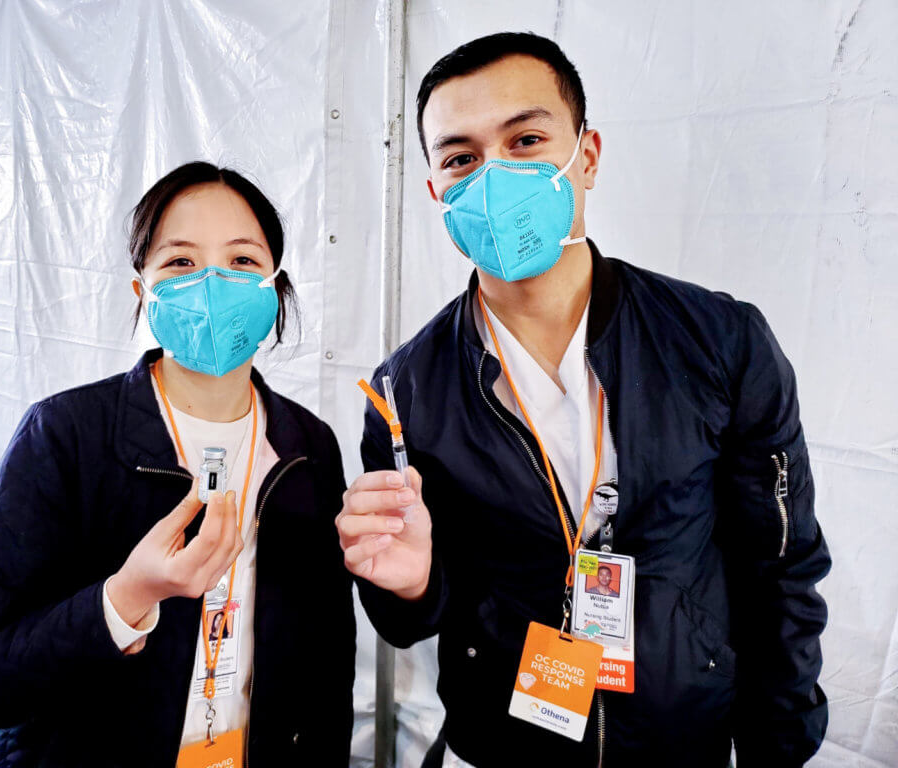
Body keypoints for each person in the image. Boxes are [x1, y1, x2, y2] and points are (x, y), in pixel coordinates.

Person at [336, 32, 830, 767]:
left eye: (527, 139)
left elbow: (781, 569)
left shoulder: (720, 341)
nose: (495, 176)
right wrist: (410, 586)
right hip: (499, 744)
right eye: (462, 158)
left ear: (587, 155)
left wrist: (778, 749)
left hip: (681, 741)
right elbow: (415, 619)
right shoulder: (404, 391)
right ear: (438, 190)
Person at [0, 162, 355, 767]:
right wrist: (124, 598)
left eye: (242, 261)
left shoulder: (309, 446)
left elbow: (328, 664)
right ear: (142, 290)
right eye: (181, 263)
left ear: (275, 287)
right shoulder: (65, 435)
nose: (213, 285)